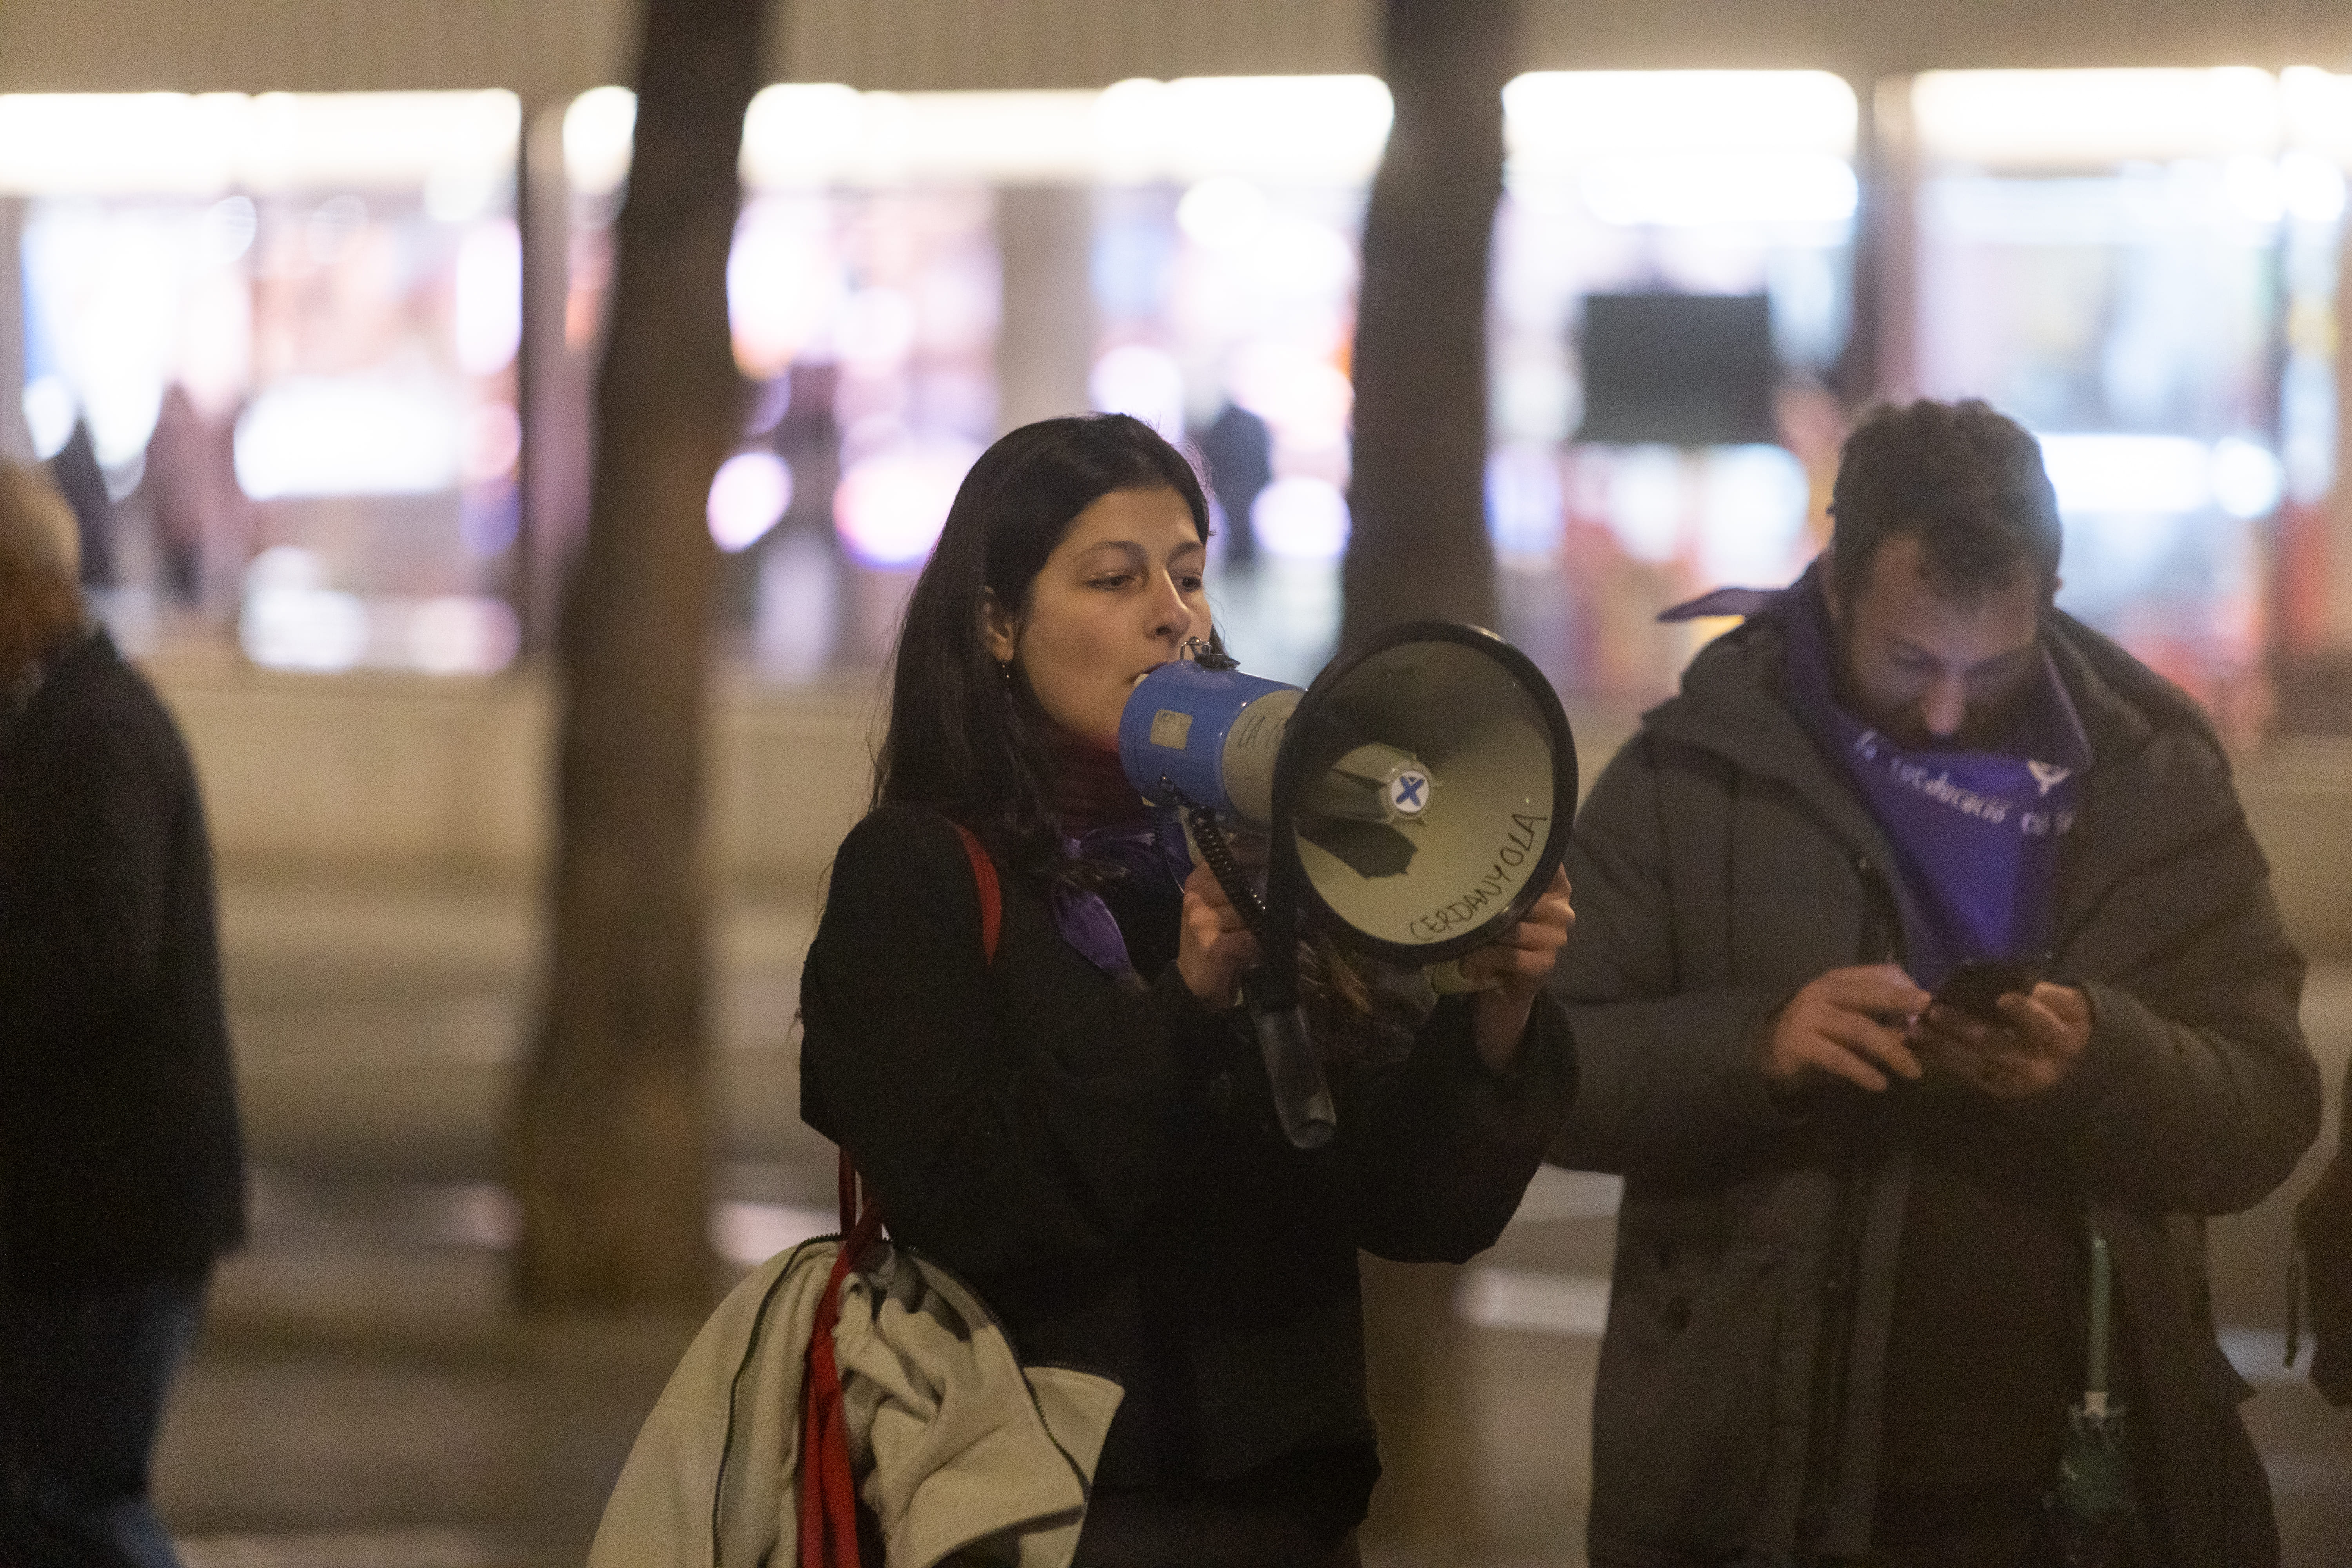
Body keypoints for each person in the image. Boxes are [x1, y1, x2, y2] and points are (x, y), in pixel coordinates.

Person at [1548, 400, 2320, 1568]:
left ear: (2049, 598)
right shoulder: (1696, 771)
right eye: (1910, 662)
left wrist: (2101, 1062)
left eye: (1993, 667)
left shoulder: (2153, 779)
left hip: (2087, 1498)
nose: (1949, 708)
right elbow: (1544, 1064)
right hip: (1755, 1492)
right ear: (1839, 585)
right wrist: (1759, 1047)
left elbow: (2266, 1107)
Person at [798, 413, 1578, 1567]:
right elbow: (971, 1201)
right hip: (1042, 1513)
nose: (1174, 611)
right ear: (997, 625)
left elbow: (1414, 1209)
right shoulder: (919, 874)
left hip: (1283, 1514)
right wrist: (1186, 1003)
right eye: (1115, 578)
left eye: (1191, 573)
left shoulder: (1257, 855)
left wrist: (1494, 1017)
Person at [0, 463, 246, 1568]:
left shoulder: (95, 733)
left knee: (72, 1503)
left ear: (21, 591)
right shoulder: (70, 717)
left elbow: (100, 956)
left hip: (111, 1219)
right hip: (92, 1214)